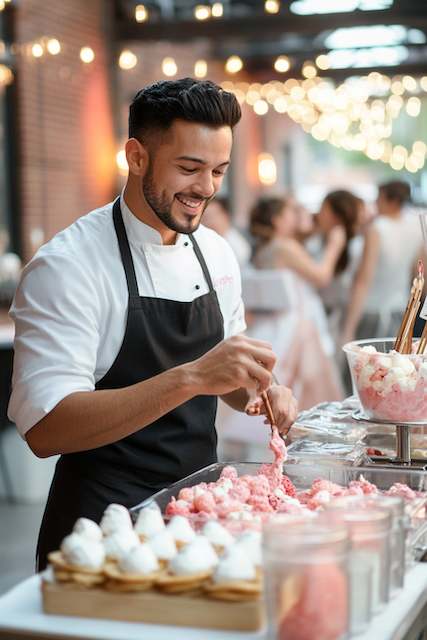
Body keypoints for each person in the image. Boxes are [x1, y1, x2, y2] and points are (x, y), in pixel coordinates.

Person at [9, 78, 297, 570]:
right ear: (136, 157)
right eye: (189, 168)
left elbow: (227, 378)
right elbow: (45, 428)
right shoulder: (68, 266)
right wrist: (192, 378)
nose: (205, 188)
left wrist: (259, 389)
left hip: (200, 512)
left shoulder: (215, 251)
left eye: (218, 171)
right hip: (101, 529)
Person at [248, 195, 344, 409]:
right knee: (309, 386)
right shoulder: (284, 246)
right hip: (296, 322)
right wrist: (335, 245)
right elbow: (321, 276)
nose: (296, 216)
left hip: (277, 322)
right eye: (290, 212)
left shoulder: (267, 247)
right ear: (276, 220)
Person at [342, 180, 423, 342]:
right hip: (401, 309)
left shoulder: (378, 228)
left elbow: (364, 279)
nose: (376, 204)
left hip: (372, 311)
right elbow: (419, 273)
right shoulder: (416, 226)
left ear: (391, 201)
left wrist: (348, 327)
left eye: (379, 198)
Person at [202, 196, 251, 267]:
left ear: (225, 216)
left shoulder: (236, 245)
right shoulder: (208, 240)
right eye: (204, 218)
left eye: (213, 216)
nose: (209, 222)